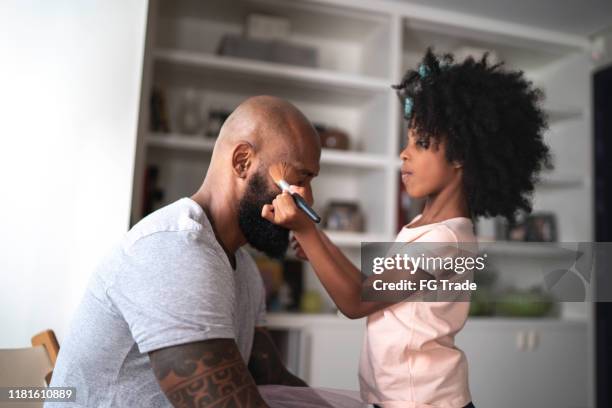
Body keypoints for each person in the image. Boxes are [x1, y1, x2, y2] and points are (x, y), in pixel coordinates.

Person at [263, 48, 551, 408]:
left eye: (422, 144)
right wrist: (318, 240)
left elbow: (357, 301)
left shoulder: (447, 242)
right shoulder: (422, 226)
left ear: (461, 155)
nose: (404, 153)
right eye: (409, 141)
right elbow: (374, 291)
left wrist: (307, 231)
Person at [46, 96, 321, 408]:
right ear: (242, 161)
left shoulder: (242, 266)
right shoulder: (174, 251)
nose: (307, 200)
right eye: (298, 180)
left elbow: (272, 377)